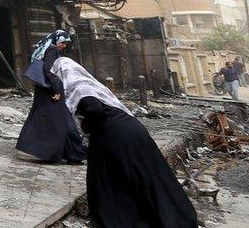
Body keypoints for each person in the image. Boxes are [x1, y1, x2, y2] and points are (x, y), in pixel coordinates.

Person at [50, 57, 198, 228]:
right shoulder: (89, 84)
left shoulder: (78, 86)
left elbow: (94, 109)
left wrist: (86, 124)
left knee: (106, 181)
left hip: (114, 135)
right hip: (130, 129)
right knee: (147, 175)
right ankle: (174, 218)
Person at [16, 29, 86, 163]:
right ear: (57, 40)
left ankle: (61, 152)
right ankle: (70, 153)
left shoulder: (45, 47)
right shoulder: (52, 49)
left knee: (47, 119)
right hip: (50, 91)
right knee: (62, 121)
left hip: (43, 90)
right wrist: (57, 91)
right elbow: (49, 71)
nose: (64, 46)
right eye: (63, 42)